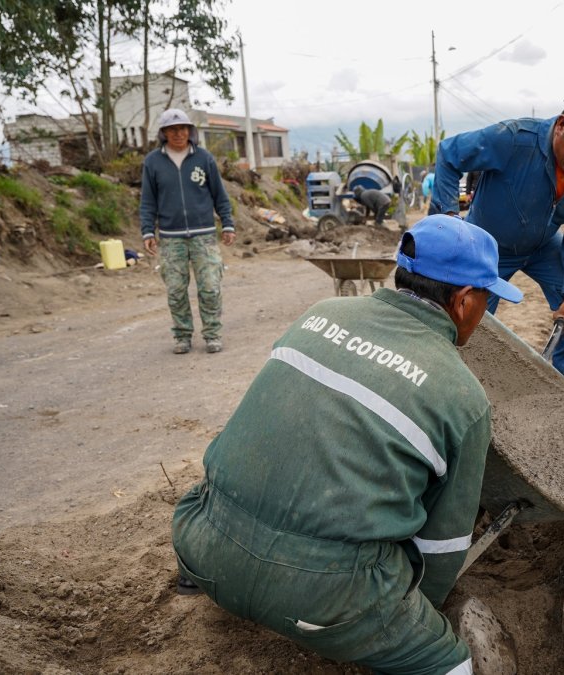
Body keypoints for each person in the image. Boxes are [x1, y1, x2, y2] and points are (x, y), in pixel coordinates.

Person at [171, 214, 522, 674]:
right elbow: (442, 547)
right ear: (462, 301)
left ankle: (192, 582)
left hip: (201, 546)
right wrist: (410, 617)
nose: (486, 311)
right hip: (321, 603)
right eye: (487, 298)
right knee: (452, 664)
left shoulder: (320, 314)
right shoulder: (464, 396)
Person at [430, 88, 564, 386]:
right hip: (487, 246)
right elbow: (449, 154)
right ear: (561, 126)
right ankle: (465, 390)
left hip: (541, 246)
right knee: (466, 317)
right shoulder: (513, 139)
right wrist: (448, 220)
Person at [140, 108, 235, 355]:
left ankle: (213, 334)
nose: (179, 133)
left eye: (183, 128)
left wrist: (227, 224)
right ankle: (182, 335)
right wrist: (148, 232)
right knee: (175, 290)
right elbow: (148, 202)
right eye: (172, 129)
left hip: (204, 235)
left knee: (210, 286)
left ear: (190, 131)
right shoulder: (153, 163)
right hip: (171, 239)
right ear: (163, 133)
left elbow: (219, 195)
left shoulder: (204, 159)